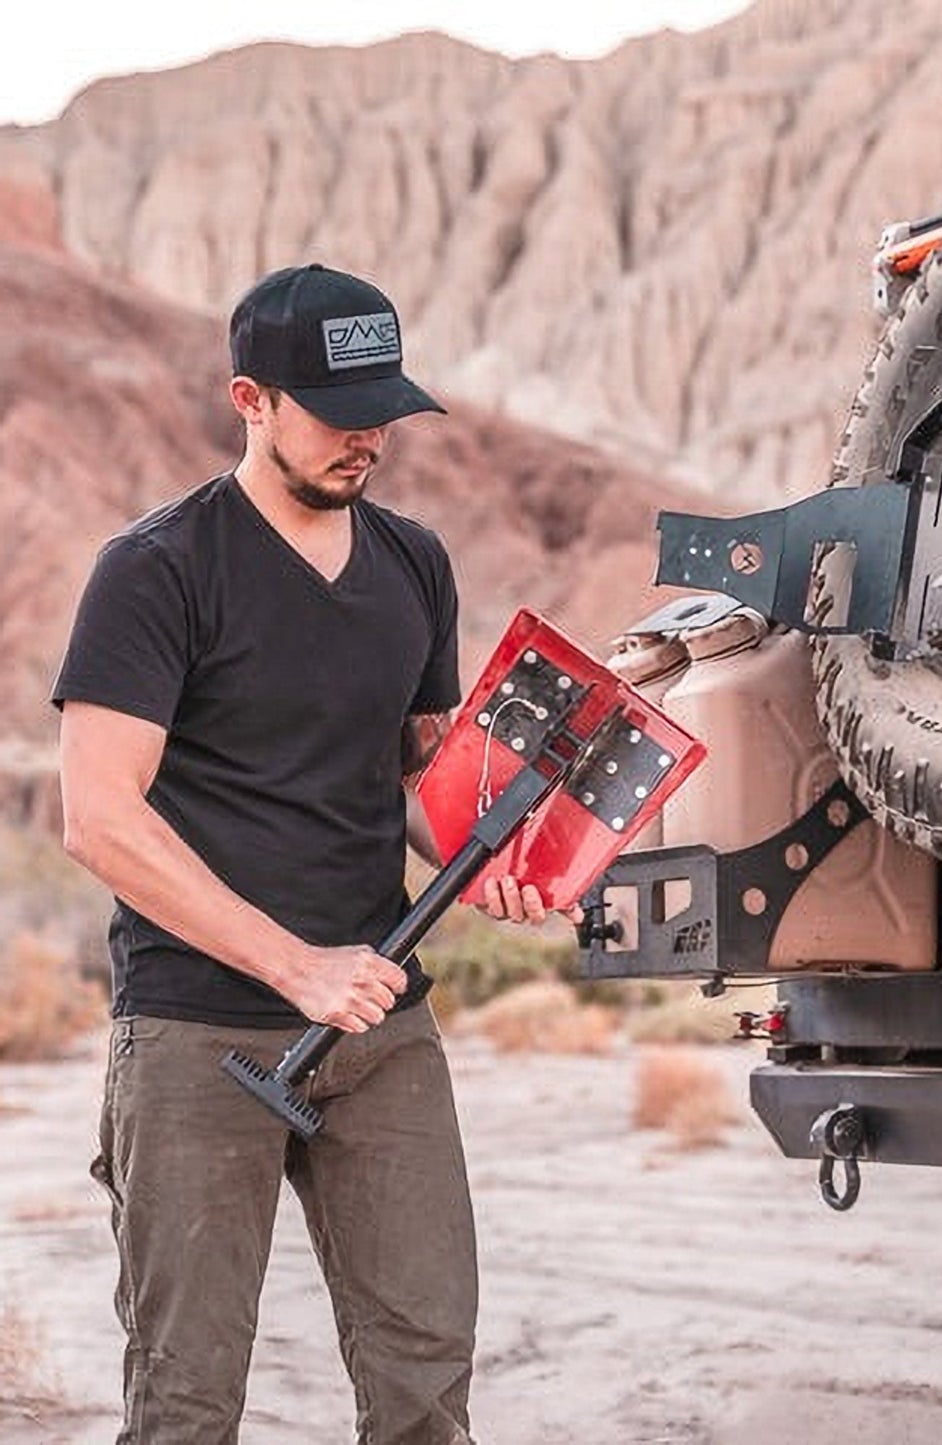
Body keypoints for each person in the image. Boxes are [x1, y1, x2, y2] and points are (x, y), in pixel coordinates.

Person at [54, 263, 552, 1444]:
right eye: (337, 413)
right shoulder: (159, 568)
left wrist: (489, 859)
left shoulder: (413, 562)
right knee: (186, 1398)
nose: (366, 436)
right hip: (196, 1026)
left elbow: (421, 782)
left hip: (379, 1027)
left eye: (382, 409)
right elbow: (100, 817)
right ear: (251, 399)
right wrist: (297, 966)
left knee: (426, 1384)